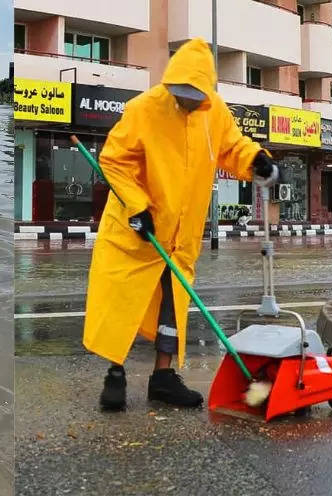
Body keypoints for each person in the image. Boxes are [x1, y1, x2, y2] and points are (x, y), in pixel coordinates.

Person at [84, 38, 277, 411]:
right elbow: (114, 160)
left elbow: (231, 147)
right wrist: (137, 207)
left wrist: (256, 160)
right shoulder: (143, 109)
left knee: (172, 308)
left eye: (192, 94)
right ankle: (115, 374)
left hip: (180, 235)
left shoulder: (214, 113)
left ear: (205, 92)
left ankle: (163, 377)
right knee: (121, 305)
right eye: (178, 92)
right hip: (135, 228)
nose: (184, 100)